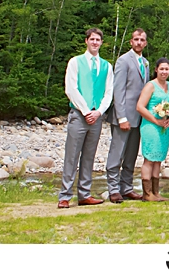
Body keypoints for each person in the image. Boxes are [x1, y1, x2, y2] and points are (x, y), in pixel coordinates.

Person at [58, 28, 114, 209]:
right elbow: (71, 89)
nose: (95, 43)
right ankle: (65, 195)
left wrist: (99, 112)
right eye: (92, 39)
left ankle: (84, 194)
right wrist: (85, 110)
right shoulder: (75, 62)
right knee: (71, 156)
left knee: (89, 157)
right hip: (79, 115)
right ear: (86, 41)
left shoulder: (106, 66)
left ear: (101, 43)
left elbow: (109, 92)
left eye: (98, 40)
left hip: (97, 116)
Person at [105, 29, 149, 202]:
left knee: (131, 154)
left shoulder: (145, 62)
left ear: (145, 43)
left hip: (139, 117)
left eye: (142, 40)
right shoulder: (123, 61)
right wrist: (121, 117)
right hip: (123, 116)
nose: (139, 42)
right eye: (136, 39)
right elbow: (119, 90)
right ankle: (113, 189)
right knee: (117, 154)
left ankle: (127, 187)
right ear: (131, 42)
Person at [136, 58, 169, 202]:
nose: (164, 72)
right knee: (150, 159)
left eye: (167, 69)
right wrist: (156, 120)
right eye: (162, 69)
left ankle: (156, 192)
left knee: (158, 159)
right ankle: (147, 194)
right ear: (156, 69)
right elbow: (140, 106)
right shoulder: (150, 86)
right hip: (151, 126)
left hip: (164, 127)